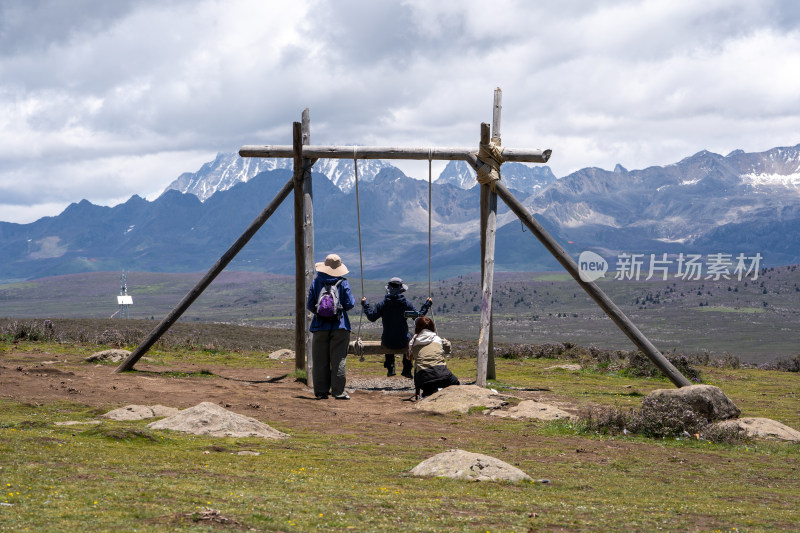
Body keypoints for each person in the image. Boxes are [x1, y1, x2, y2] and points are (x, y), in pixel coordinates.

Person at [306, 253, 356, 400]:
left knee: (320, 361)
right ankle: (339, 392)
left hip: (319, 326)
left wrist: (321, 312)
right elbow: (350, 304)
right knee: (339, 360)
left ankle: (321, 392)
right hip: (340, 326)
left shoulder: (316, 283)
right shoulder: (343, 283)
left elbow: (310, 304)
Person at [361, 277, 432, 378]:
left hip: (387, 341)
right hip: (403, 341)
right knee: (410, 337)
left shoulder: (382, 304)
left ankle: (391, 367)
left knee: (388, 335)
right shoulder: (406, 304)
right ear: (401, 289)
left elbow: (372, 317)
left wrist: (365, 304)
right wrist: (427, 304)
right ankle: (407, 368)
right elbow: (419, 319)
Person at [406, 316, 459, 399]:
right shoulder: (437, 339)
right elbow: (447, 349)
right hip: (442, 374)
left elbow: (409, 357)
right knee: (456, 384)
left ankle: (426, 394)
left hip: (424, 378)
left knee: (427, 387)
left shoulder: (413, 342)